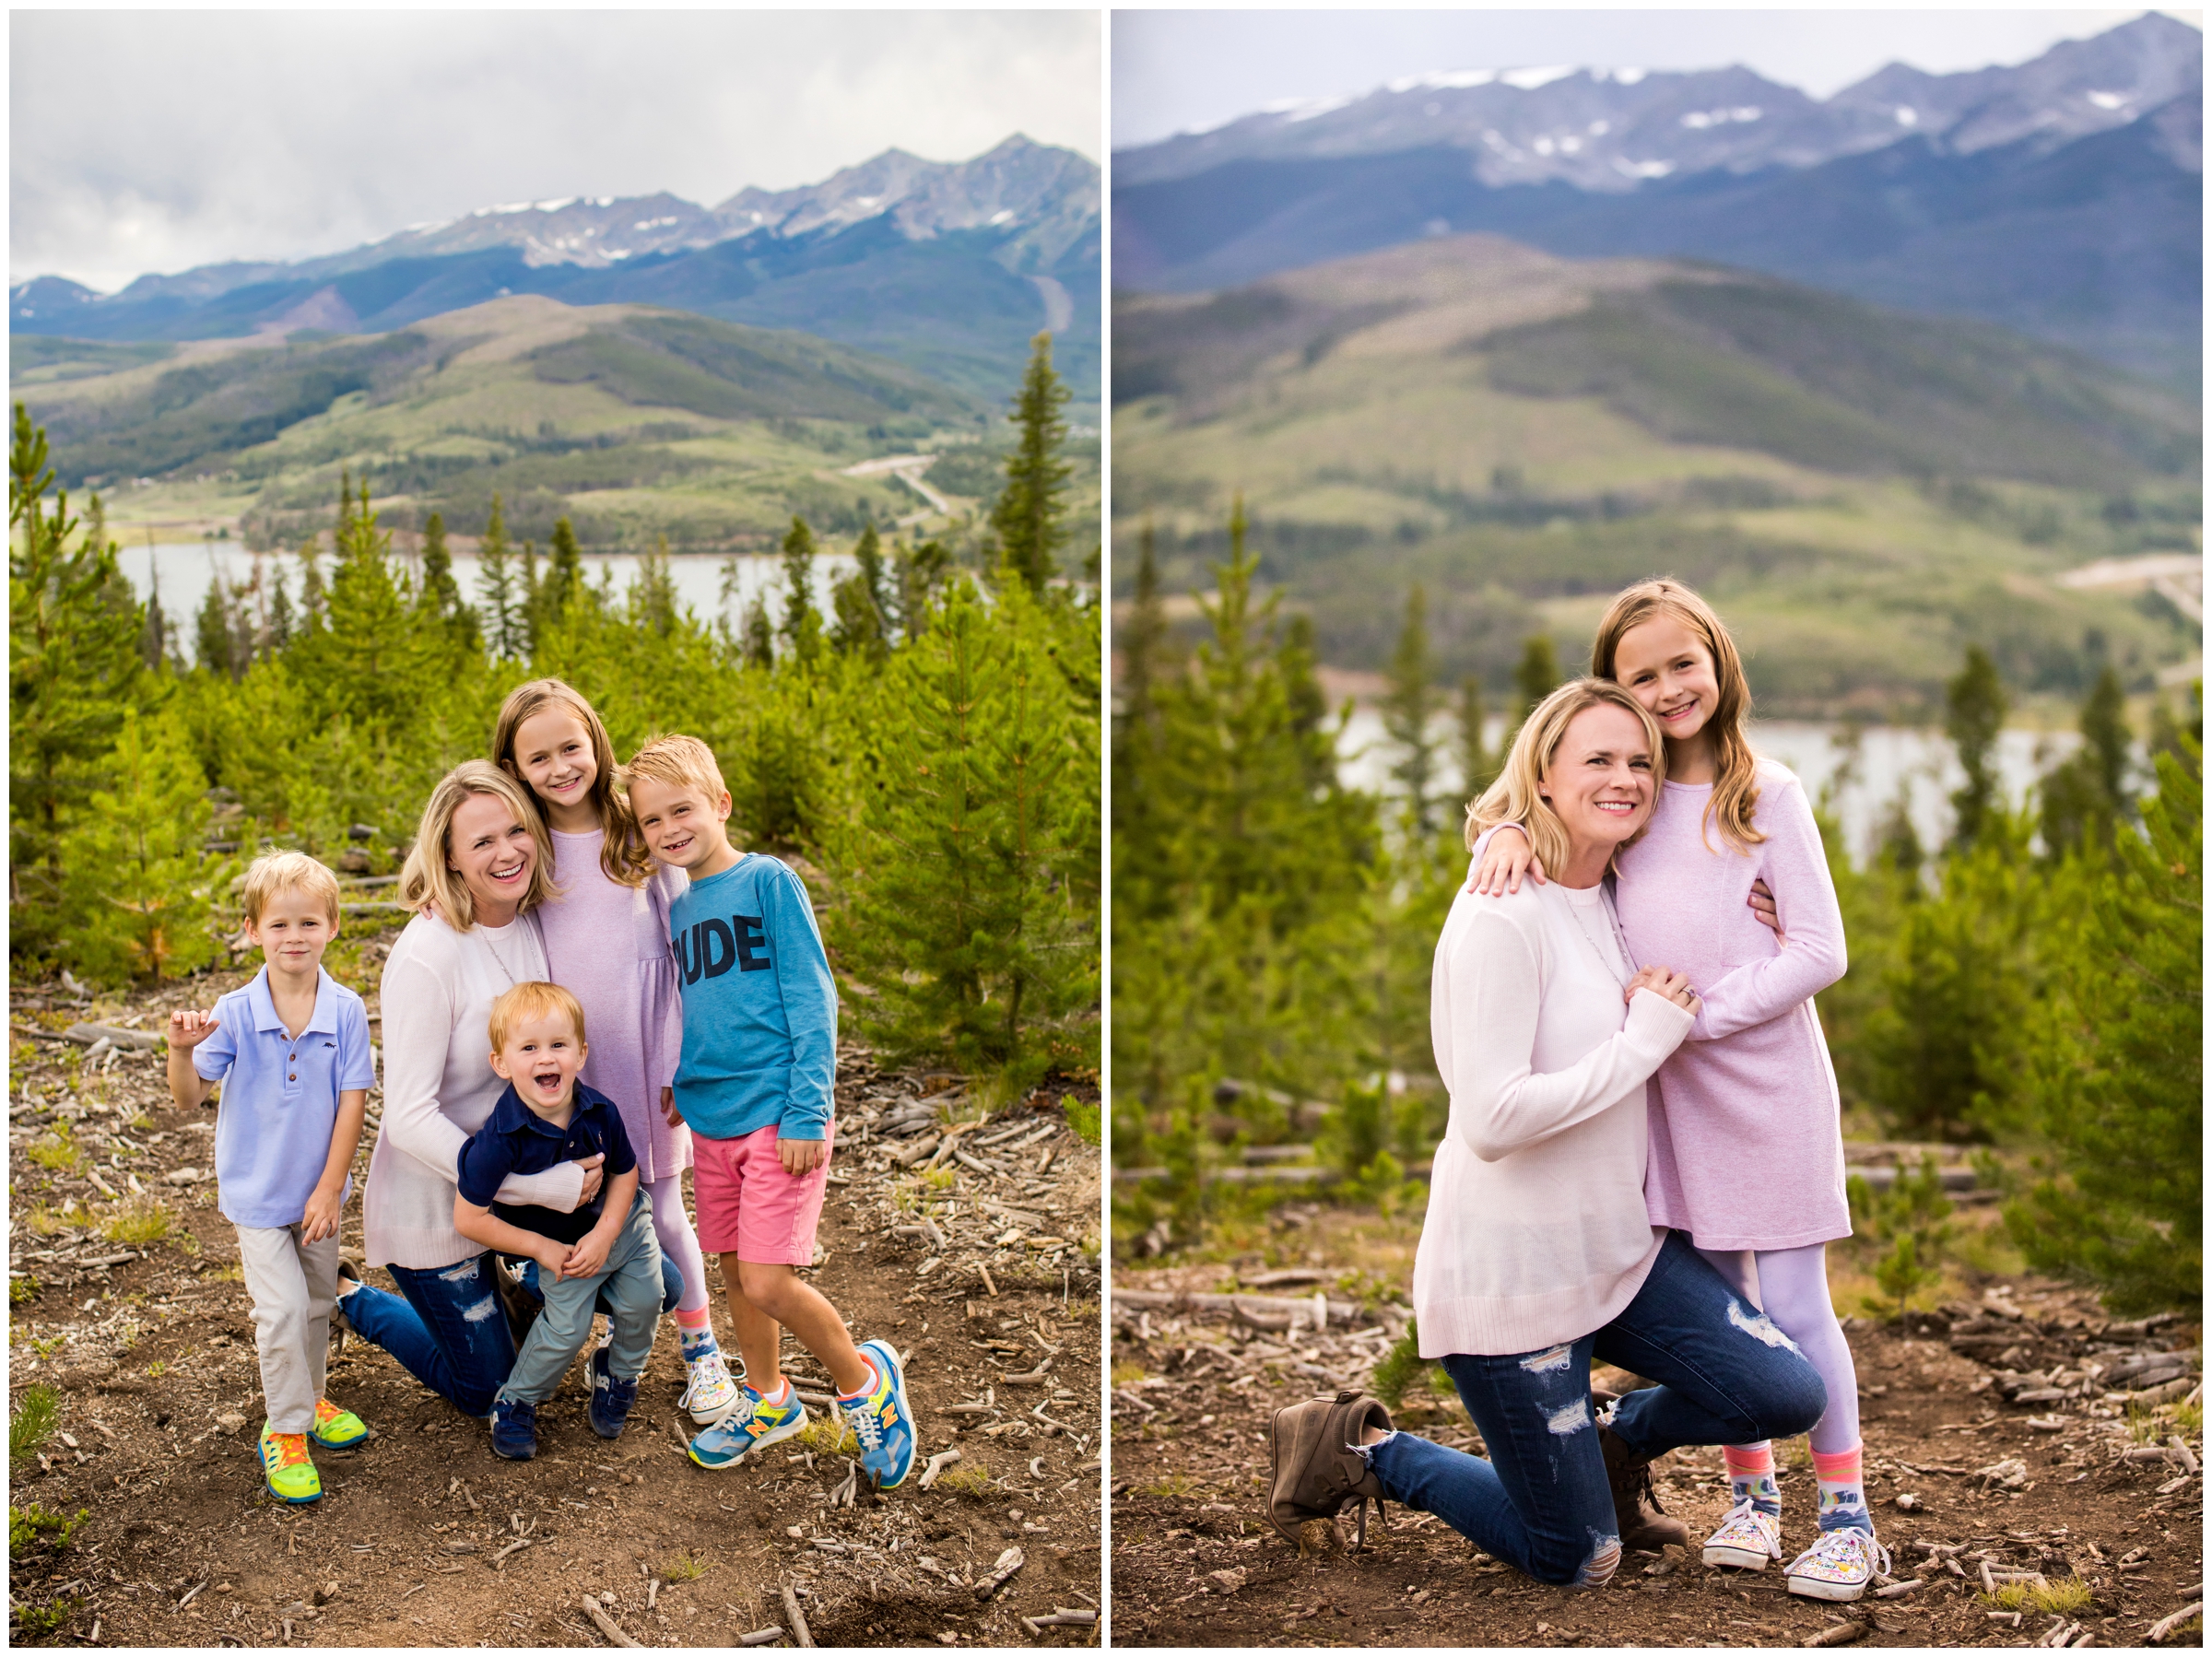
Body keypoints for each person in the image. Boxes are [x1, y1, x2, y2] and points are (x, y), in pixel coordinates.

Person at [1269, 678, 1828, 1592]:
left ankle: (1610, 1444)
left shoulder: (1613, 897)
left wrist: (1762, 913)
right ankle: (1364, 1447)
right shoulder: (1499, 915)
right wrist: (1643, 1041)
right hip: (1512, 1282)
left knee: (1784, 1393)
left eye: (1641, 761)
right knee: (1576, 1557)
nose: (1627, 777)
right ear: (1544, 772)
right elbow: (1491, 1120)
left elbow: (1729, 914)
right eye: (1598, 760)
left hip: (1619, 1256)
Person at [1466, 580, 1878, 1601]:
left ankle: (1846, 1516)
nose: (1667, 688)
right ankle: (1753, 1501)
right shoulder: (1635, 797)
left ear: (1720, 661)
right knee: (1730, 1307)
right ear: (1616, 688)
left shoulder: (1764, 794)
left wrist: (1694, 1016)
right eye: (1640, 675)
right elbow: (1537, 812)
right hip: (1668, 1097)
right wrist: (1499, 832)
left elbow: (1821, 949)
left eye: (1682, 663)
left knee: (1790, 1303)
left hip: (1765, 1086)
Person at [333, 761, 680, 1419]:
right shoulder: (426, 956)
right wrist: (530, 1188)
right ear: (450, 859)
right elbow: (407, 1116)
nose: (506, 851)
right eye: (482, 842)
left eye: (516, 831)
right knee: (489, 1390)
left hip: (519, 1207)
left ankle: (519, 1292)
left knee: (661, 1281)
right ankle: (354, 1298)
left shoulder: (525, 921)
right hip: (438, 1209)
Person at [625, 733, 918, 1489]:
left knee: (767, 1281)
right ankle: (769, 1400)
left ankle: (865, 1387)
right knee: (732, 1275)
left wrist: (807, 1112)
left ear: (720, 805)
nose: (669, 830)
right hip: (713, 1120)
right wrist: (681, 1083)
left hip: (777, 1119)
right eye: (652, 821)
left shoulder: (768, 883)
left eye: (682, 809)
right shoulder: (680, 909)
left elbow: (811, 998)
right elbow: (704, 1008)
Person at [492, 678, 736, 1426]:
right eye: (540, 757)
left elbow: (682, 944)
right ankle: (610, 1335)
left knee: (661, 1207)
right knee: (581, 1198)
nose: (562, 766)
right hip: (564, 1057)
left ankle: (701, 1350)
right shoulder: (523, 840)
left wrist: (679, 1060)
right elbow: (480, 886)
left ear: (594, 743)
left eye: (572, 747)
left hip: (642, 1046)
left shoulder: (637, 828)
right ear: (515, 766)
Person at [166, 851, 376, 1504]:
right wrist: (179, 1051)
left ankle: (310, 1398)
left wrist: (328, 1187)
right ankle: (284, 1430)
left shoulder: (343, 1009)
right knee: (281, 1309)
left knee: (316, 1305)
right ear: (253, 930)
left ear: (333, 928)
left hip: (318, 1197)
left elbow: (353, 1103)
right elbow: (188, 1098)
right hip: (258, 1196)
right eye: (279, 925)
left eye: (308, 923)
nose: (295, 937)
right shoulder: (232, 1011)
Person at [454, 981, 665, 1460]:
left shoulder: (599, 1111)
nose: (545, 1059)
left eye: (557, 1045)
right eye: (529, 1048)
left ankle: (619, 1372)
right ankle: (516, 1402)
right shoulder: (500, 1138)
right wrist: (540, 1249)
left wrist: (609, 1230)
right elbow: (469, 1218)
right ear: (501, 1064)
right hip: (560, 1247)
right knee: (566, 1329)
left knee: (647, 1299)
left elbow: (626, 1173)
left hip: (622, 1229)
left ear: (581, 1053)